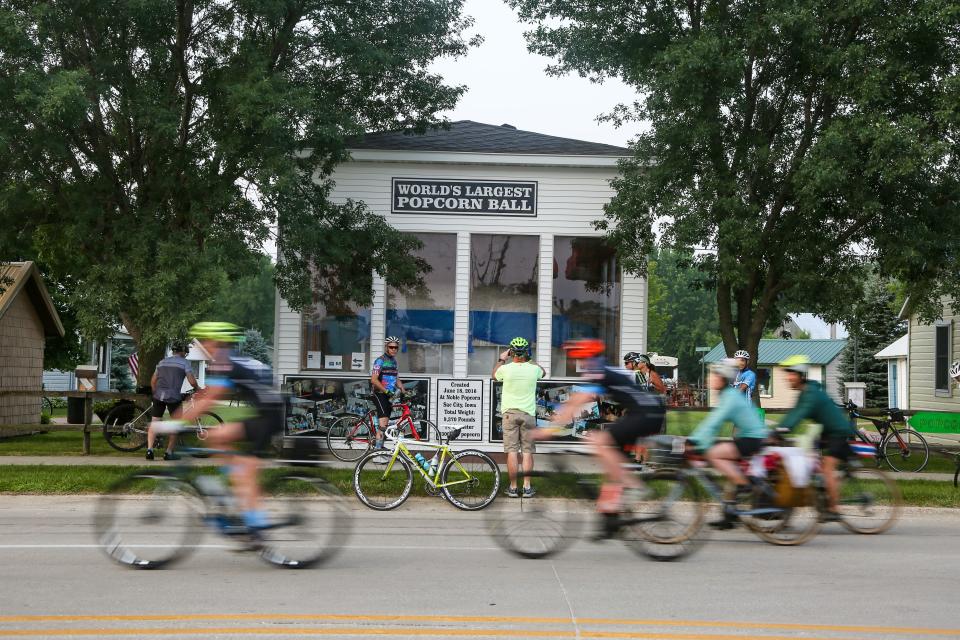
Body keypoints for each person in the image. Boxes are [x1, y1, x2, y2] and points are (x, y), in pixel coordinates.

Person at [537, 339, 665, 538]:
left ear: (585, 357)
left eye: (575, 357)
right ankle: (610, 520)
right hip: (644, 413)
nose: (573, 362)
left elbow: (578, 400)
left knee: (599, 442)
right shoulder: (600, 368)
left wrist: (548, 429)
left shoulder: (598, 370)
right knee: (611, 467)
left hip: (646, 414)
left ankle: (636, 487)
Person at [174, 321, 285, 532]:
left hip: (270, 417)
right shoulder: (229, 359)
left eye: (205, 341)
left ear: (216, 342)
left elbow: (210, 400)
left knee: (247, 473)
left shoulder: (225, 361)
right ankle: (235, 480)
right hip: (265, 412)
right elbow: (213, 391)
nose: (203, 345)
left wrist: (174, 422)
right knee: (218, 435)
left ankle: (255, 524)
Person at [687, 358, 768, 528]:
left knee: (714, 455)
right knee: (729, 469)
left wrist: (695, 441)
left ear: (722, 378)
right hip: (752, 435)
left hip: (751, 438)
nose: (710, 378)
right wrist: (703, 440)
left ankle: (744, 484)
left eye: (714, 375)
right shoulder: (727, 394)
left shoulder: (730, 397)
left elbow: (714, 422)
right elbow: (714, 424)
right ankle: (729, 515)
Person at [777, 354, 855, 521]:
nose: (787, 378)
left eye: (791, 374)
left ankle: (833, 509)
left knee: (827, 468)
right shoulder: (805, 392)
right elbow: (793, 414)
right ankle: (824, 496)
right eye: (787, 374)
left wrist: (780, 431)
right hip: (826, 431)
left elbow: (798, 416)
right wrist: (778, 429)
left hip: (838, 432)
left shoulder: (810, 394)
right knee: (812, 461)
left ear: (800, 375)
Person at [492, 336, 545, 498]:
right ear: (527, 352)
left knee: (512, 452)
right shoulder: (533, 368)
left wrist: (502, 359)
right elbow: (543, 372)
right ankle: (527, 487)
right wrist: (529, 359)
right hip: (528, 414)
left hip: (510, 415)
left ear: (511, 352)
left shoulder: (505, 369)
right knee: (527, 452)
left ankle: (514, 488)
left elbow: (494, 375)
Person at [145, 341, 200, 461]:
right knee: (176, 424)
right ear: (183, 352)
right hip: (174, 397)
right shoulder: (184, 362)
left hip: (159, 396)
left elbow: (153, 380)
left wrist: (155, 392)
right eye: (185, 352)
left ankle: (149, 450)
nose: (186, 354)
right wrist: (197, 388)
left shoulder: (162, 362)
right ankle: (168, 453)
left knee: (155, 422)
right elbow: (191, 380)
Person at [370, 337, 405, 449]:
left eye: (396, 347)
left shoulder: (394, 361)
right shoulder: (380, 361)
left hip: (389, 396)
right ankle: (377, 452)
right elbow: (374, 380)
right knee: (383, 424)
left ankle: (379, 447)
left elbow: (396, 378)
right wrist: (386, 391)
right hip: (379, 394)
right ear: (386, 347)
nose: (394, 349)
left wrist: (404, 391)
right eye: (391, 347)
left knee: (385, 424)